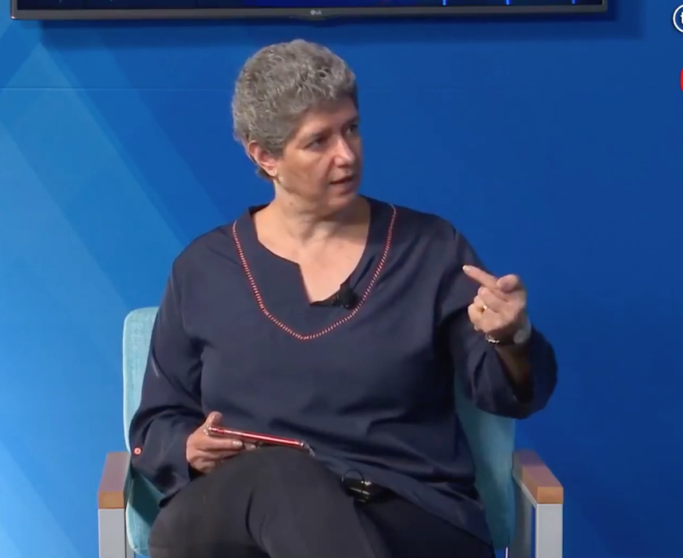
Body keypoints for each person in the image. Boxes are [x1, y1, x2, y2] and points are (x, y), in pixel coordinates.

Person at [128, 39, 558, 558]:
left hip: (404, 510)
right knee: (281, 477)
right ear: (265, 156)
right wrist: (188, 447)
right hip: (238, 518)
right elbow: (157, 422)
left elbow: (505, 394)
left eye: (351, 129)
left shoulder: (429, 249)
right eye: (319, 141)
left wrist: (511, 337)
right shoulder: (203, 270)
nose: (347, 155)